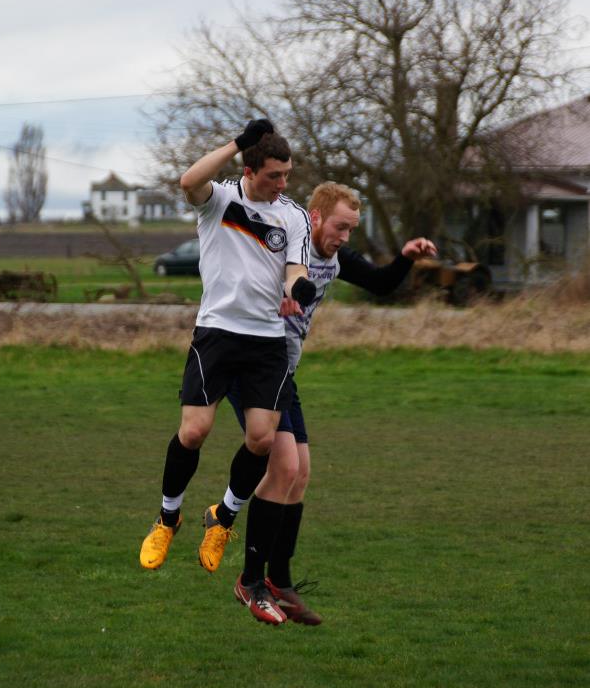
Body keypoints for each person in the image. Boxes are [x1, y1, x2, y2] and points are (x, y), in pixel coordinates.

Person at [225, 182, 437, 625]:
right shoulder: (285, 247)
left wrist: (405, 257)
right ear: (316, 217)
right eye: (340, 227)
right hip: (252, 365)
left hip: (283, 372)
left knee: (300, 473)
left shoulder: (335, 258)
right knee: (283, 468)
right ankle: (250, 581)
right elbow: (239, 282)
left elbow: (380, 283)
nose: (344, 237)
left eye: (351, 229)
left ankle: (279, 581)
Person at [139, 119, 315, 589]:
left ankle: (223, 517)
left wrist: (299, 287)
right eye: (275, 175)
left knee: (261, 439)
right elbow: (188, 181)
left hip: (266, 341)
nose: (283, 184)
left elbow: (294, 269)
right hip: (216, 333)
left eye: (288, 175)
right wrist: (238, 141)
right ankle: (167, 519)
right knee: (194, 431)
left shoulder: (294, 216)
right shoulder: (219, 199)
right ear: (249, 170)